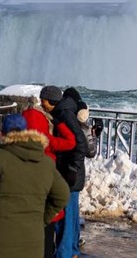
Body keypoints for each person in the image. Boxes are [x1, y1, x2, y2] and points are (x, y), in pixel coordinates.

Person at [0, 114, 70, 257]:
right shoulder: (45, 162)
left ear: (2, 134)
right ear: (25, 132)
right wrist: (42, 219)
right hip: (32, 244)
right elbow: (62, 195)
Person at [22, 96, 76, 258]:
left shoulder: (17, 147)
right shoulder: (48, 141)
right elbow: (71, 141)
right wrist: (58, 122)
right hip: (46, 201)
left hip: (25, 205)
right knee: (46, 241)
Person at [40, 85, 89, 258]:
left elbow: (80, 144)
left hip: (69, 173)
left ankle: (64, 253)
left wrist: (72, 169)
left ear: (51, 100)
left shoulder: (64, 115)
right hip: (71, 172)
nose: (41, 103)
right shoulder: (64, 111)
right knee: (72, 215)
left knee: (64, 216)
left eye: (43, 100)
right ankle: (72, 250)